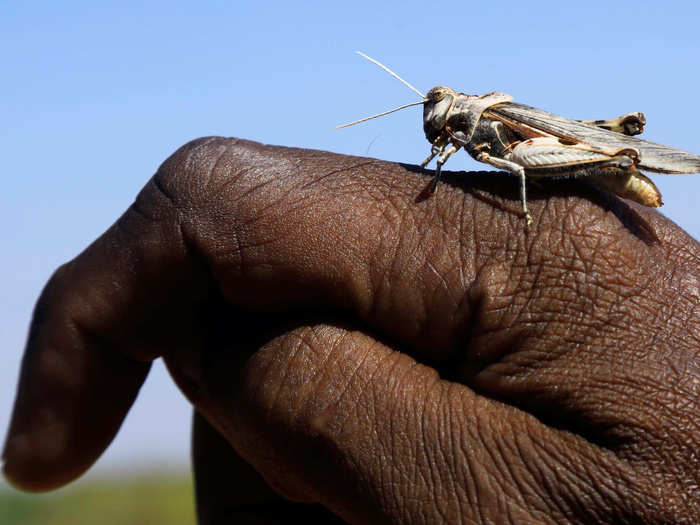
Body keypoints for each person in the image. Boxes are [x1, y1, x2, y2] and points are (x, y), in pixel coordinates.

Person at [3, 137, 699, 523]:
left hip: (592, 157)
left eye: (439, 116)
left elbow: (510, 160)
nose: (434, 124)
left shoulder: (489, 125)